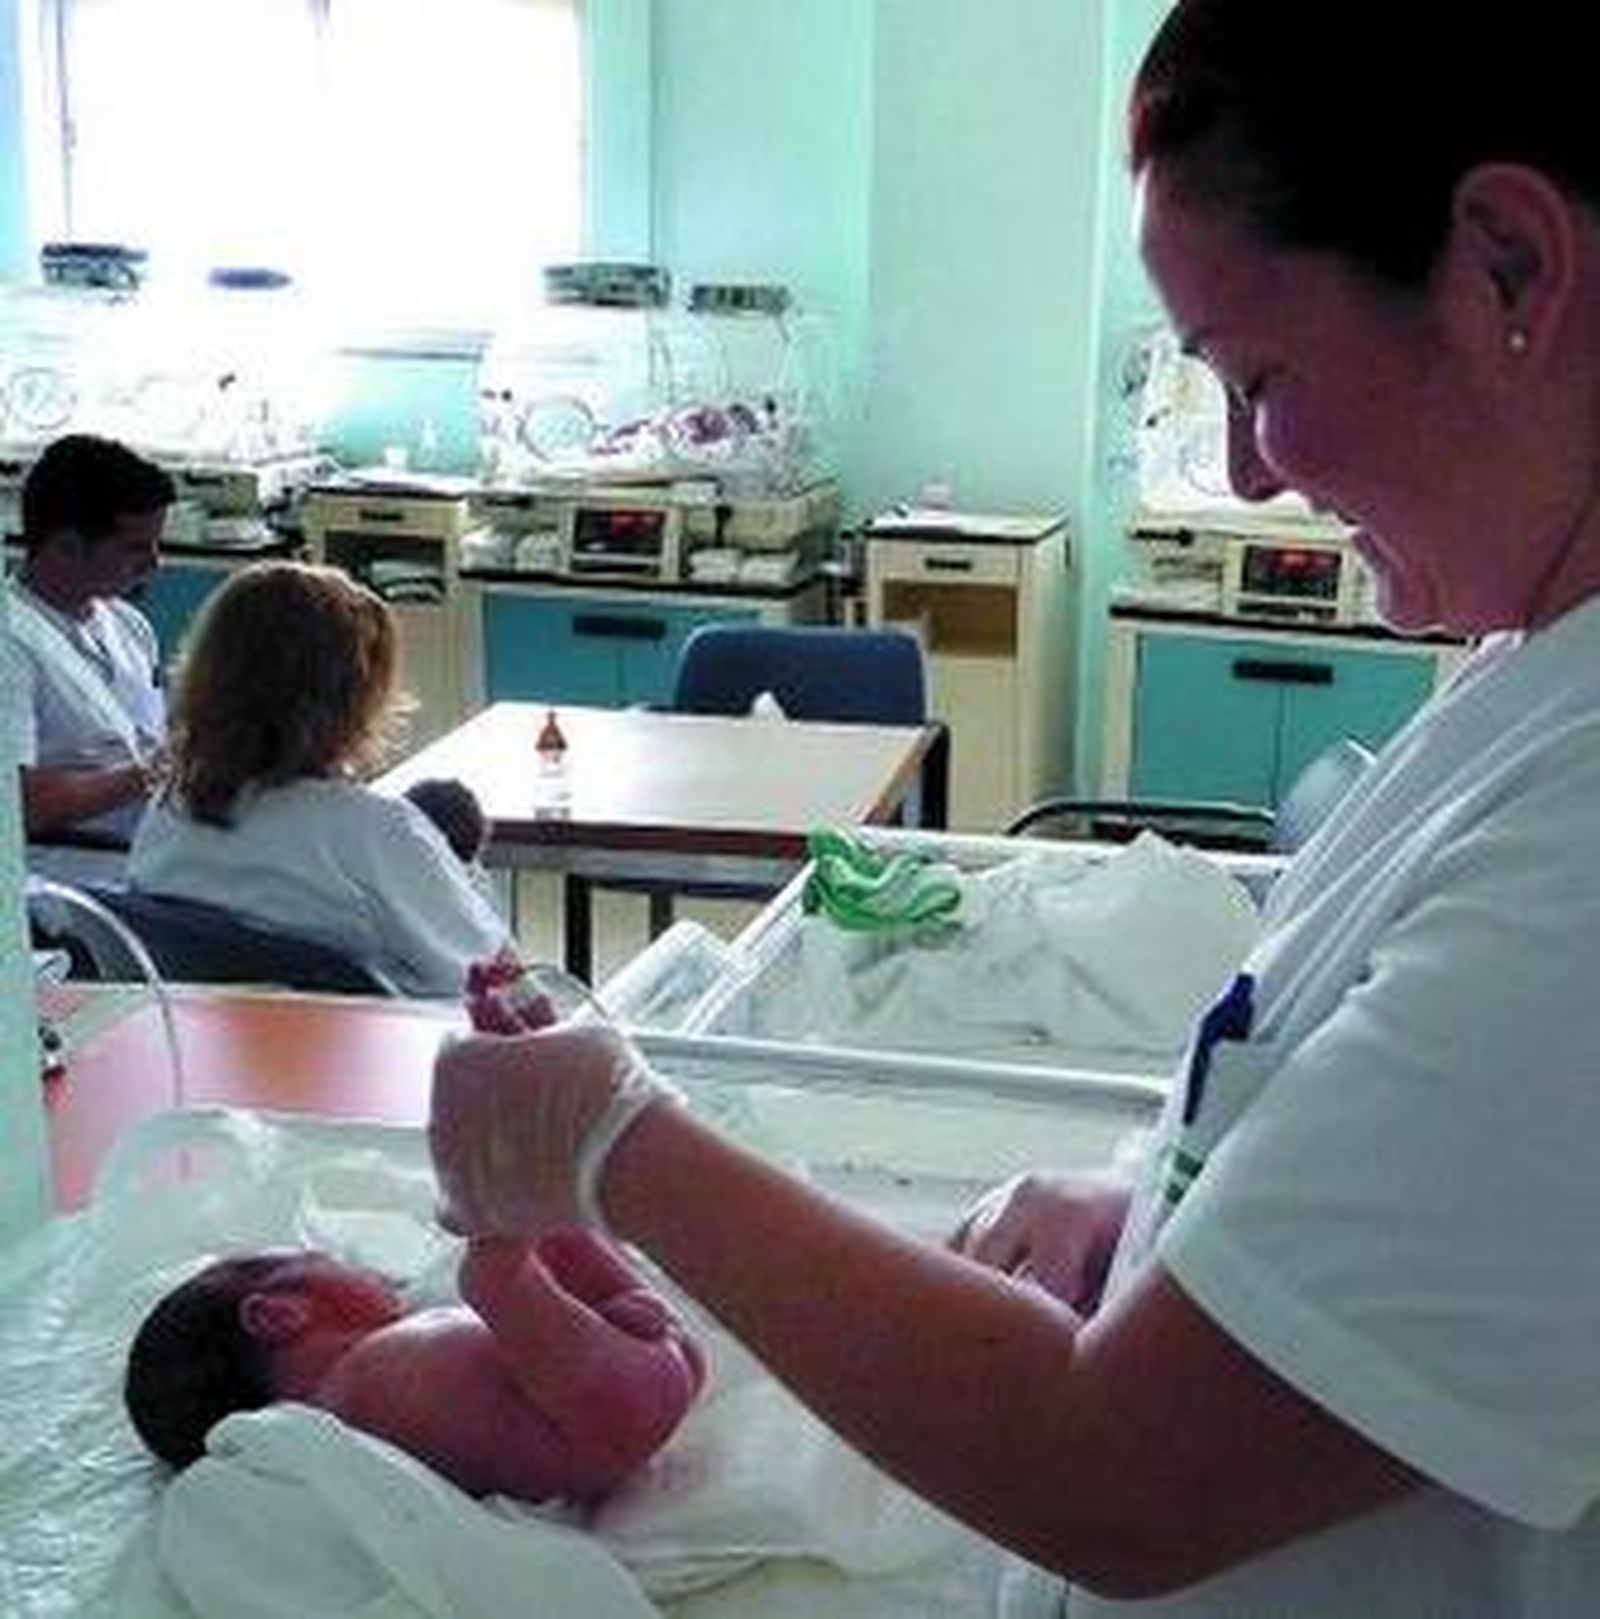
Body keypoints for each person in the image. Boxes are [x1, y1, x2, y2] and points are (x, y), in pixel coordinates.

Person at [426, 2, 1600, 1613]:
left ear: (1509, 269)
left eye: (1259, 376)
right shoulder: (1532, 661)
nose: (1248, 474)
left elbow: (1128, 1474)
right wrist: (1197, 1227)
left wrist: (618, 1140)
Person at [129, 560, 513, 996]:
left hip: (201, 1035)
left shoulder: (169, 812)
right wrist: (463, 869)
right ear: (352, 700)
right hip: (371, 1038)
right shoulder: (376, 832)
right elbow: (500, 984)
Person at [123, 1227, 707, 1502]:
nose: (369, 1272)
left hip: (610, 1398)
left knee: (541, 1240)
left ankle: (550, 1206)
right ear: (280, 1315)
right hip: (597, 1409)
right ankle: (531, 1192)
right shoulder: (350, 1391)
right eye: (328, 1259)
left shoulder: (357, 1418)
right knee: (496, 1268)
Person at [6, 433, 175, 881]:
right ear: (67, 546)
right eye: (136, 548)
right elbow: (21, 805)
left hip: (148, 851)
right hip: (63, 876)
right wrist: (157, 771)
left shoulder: (128, 624)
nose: (155, 563)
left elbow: (150, 735)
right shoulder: (13, 645)